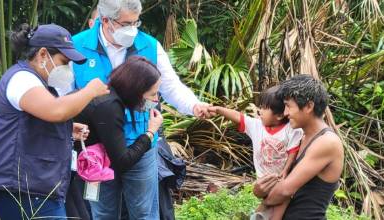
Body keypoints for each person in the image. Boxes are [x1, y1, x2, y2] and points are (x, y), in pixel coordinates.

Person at [71, 0, 211, 219]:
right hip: (98, 147)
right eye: (127, 23)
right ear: (105, 20)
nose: (133, 30)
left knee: (144, 213)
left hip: (141, 143)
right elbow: (63, 95)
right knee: (103, 213)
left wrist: (194, 105)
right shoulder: (77, 46)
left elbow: (171, 87)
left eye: (137, 22)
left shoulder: (149, 44)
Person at [0, 23, 109, 219]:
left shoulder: (37, 81)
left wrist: (65, 129)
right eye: (64, 62)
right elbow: (56, 110)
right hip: (22, 189)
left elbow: (29, 123)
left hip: (33, 188)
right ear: (43, 54)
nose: (68, 69)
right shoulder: (22, 79)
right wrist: (89, 91)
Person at [74, 56, 163, 219]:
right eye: (153, 94)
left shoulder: (111, 95)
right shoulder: (109, 106)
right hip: (93, 162)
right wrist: (150, 133)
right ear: (136, 91)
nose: (156, 100)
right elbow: (122, 162)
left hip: (100, 159)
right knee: (105, 214)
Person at [253, 74, 344, 219]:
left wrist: (260, 196)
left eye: (288, 106)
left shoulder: (327, 142)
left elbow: (285, 190)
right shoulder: (303, 137)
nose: (285, 113)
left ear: (308, 106)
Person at [208, 86, 303, 219]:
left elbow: (293, 151)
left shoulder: (290, 130)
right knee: (269, 207)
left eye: (265, 108)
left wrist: (285, 171)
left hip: (282, 182)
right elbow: (238, 117)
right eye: (261, 106)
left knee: (279, 208)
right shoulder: (257, 126)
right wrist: (218, 109)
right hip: (263, 182)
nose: (260, 111)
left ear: (280, 115)